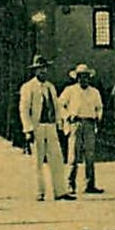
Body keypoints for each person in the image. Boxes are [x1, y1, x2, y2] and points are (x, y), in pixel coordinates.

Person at [19, 54, 73, 201]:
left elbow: (56, 107)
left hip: (50, 127)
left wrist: (59, 124)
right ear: (35, 71)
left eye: (44, 69)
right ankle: (39, 192)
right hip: (36, 127)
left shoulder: (51, 87)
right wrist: (28, 129)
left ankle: (60, 191)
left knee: (56, 158)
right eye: (39, 69)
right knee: (37, 160)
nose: (42, 71)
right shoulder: (28, 87)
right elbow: (24, 109)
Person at [60, 63, 104, 195]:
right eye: (80, 77)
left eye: (85, 77)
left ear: (89, 78)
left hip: (90, 124)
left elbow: (99, 107)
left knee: (90, 156)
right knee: (73, 156)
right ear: (76, 78)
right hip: (76, 124)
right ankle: (70, 184)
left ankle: (90, 185)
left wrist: (98, 117)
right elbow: (60, 105)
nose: (83, 79)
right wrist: (67, 116)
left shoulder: (94, 92)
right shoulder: (70, 90)